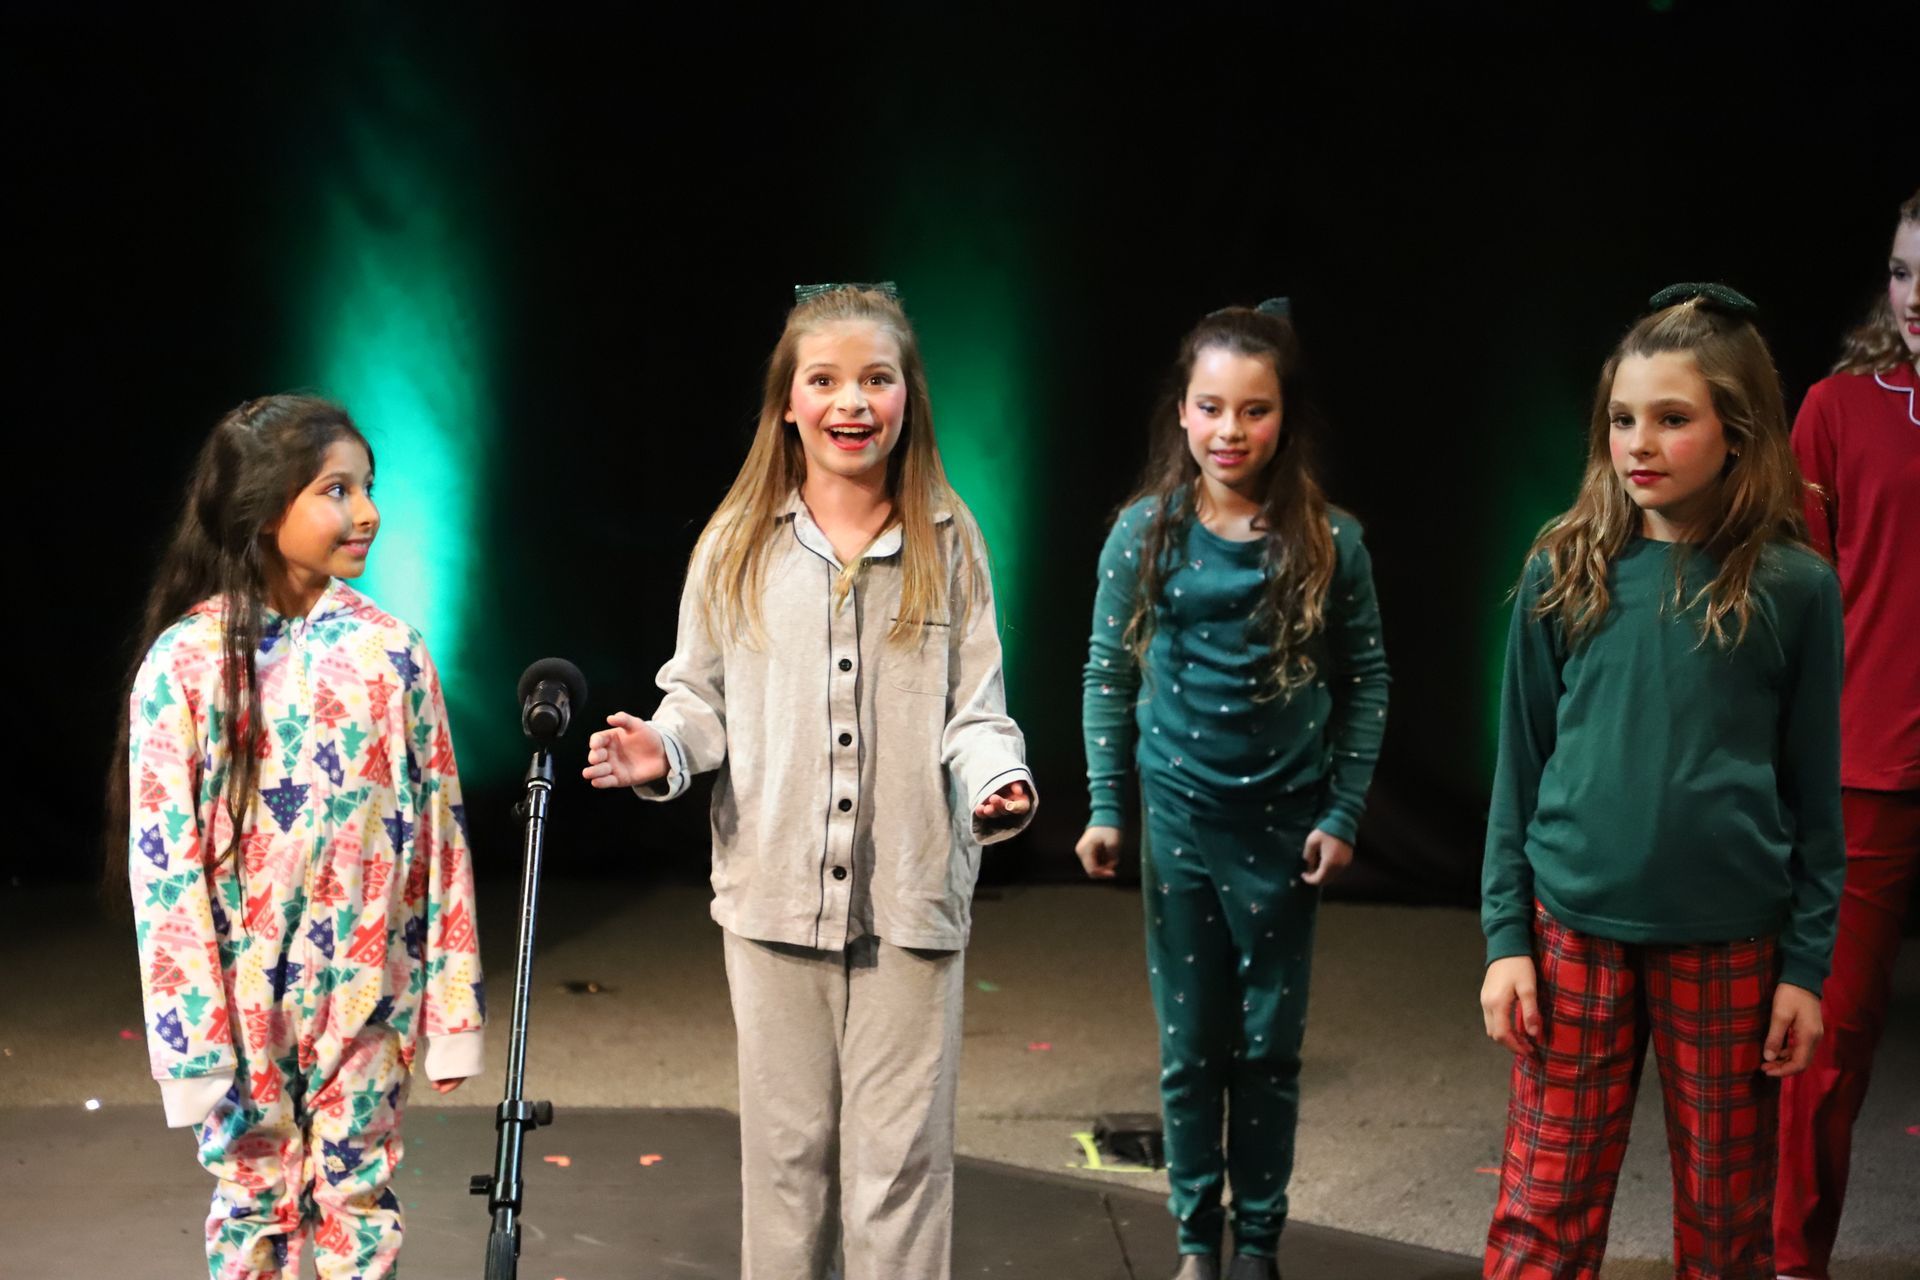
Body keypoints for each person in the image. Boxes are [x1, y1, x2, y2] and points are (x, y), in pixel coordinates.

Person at [582, 283, 1035, 1280]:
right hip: (773, 896)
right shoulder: (735, 545)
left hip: (911, 901)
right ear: (787, 401)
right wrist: (664, 748)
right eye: (824, 379)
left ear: (908, 397)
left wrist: (998, 777)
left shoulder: (951, 542)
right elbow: (698, 697)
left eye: (876, 378)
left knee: (901, 1164)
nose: (852, 400)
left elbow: (978, 709)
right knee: (789, 1161)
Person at [1478, 285, 1844, 1280]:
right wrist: (1507, 938)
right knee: (1541, 1213)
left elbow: (1818, 791)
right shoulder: (1566, 568)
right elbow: (1520, 765)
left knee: (1727, 1224)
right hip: (1573, 934)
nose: (1639, 441)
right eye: (1623, 418)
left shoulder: (1794, 586)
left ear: (1739, 430)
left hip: (1730, 941)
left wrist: (1806, 966)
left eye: (1673, 418)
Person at [118, 394, 485, 1279]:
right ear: (263, 507)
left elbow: (439, 831)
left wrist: (452, 1005)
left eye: (367, 487)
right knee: (253, 1203)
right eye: (336, 490)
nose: (368, 512)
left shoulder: (393, 653)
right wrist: (192, 1045)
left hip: (367, 996)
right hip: (241, 1012)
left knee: (359, 1201)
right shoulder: (188, 663)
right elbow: (163, 874)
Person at [1077, 300, 1390, 1280]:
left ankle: (1258, 1240)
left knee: (1265, 1046)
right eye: (1210, 406)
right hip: (1179, 811)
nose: (1229, 430)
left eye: (1253, 411)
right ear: (1181, 412)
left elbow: (1367, 679)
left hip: (1285, 822)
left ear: (1284, 418)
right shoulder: (1146, 533)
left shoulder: (1330, 539)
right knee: (1190, 1045)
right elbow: (1106, 670)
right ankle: (1192, 1240)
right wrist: (1104, 803)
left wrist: (1340, 812)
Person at [1774, 188, 1920, 1280]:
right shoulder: (1836, 406)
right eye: (1906, 271)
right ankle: (1791, 1262)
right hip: (1866, 764)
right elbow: (1797, 600)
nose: (1916, 298)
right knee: (1827, 1039)